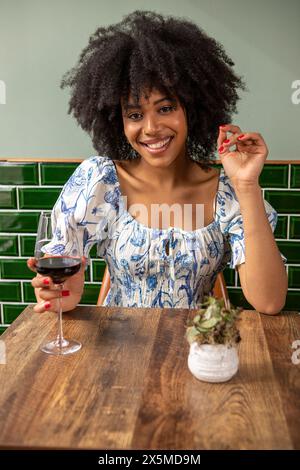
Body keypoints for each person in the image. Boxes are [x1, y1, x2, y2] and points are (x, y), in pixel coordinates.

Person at [27, 10, 288, 314]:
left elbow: (269, 302)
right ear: (119, 122)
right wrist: (60, 294)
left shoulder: (228, 194)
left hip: (199, 350)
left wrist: (246, 185)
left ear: (192, 108)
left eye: (165, 108)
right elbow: (65, 291)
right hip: (118, 352)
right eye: (135, 115)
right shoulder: (99, 182)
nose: (150, 127)